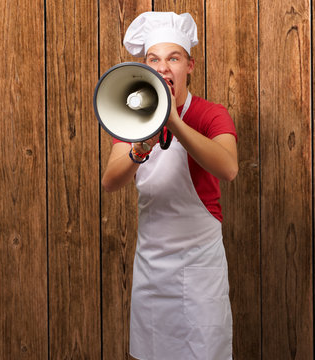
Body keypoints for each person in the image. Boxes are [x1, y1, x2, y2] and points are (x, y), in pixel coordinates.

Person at [102, 11, 238, 360]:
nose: (163, 68)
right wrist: (140, 148)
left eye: (173, 58)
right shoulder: (133, 119)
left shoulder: (211, 114)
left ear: (189, 65)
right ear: (145, 67)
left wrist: (174, 122)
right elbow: (111, 181)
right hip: (152, 270)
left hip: (200, 268)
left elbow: (228, 168)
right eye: (154, 59)